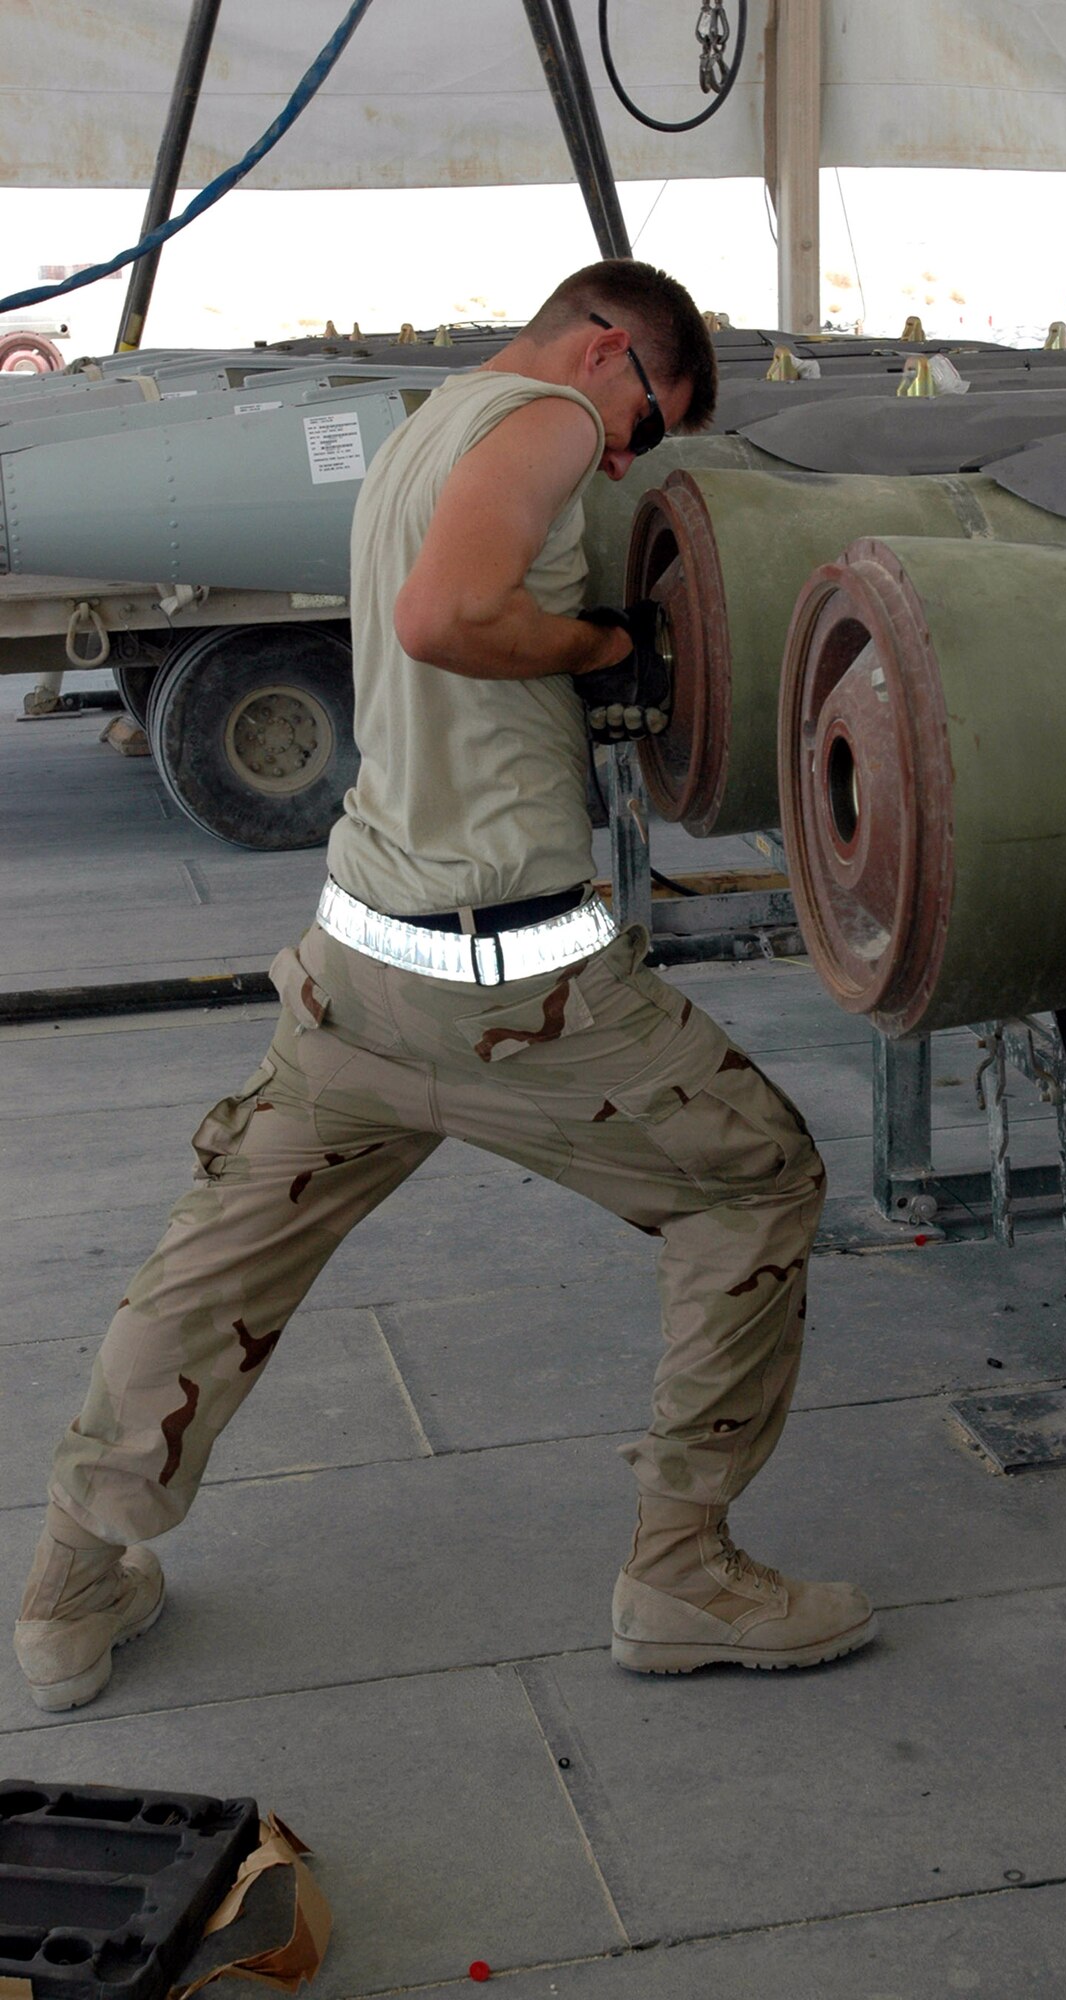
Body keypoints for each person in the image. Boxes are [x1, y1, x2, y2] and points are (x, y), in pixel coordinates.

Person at [14, 260, 876, 1713]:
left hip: (360, 964)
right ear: (609, 349)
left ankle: (72, 1579)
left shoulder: (424, 424)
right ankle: (682, 1568)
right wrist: (606, 646)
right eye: (640, 427)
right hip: (517, 988)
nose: (617, 463)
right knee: (755, 1180)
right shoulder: (541, 415)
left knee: (218, 1264)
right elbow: (441, 617)